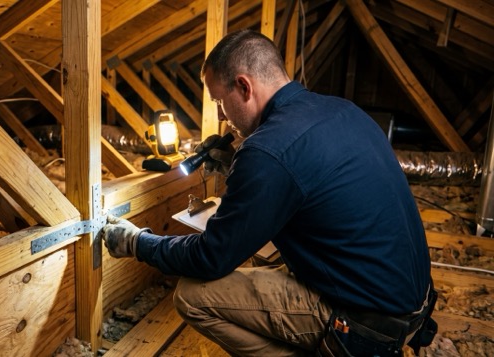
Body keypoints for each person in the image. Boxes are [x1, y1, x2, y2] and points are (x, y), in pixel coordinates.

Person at [101, 29, 436, 356]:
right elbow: (303, 177)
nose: (219, 114)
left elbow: (210, 258)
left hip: (365, 326)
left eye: (219, 100)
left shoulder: (267, 150)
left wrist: (138, 242)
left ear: (244, 86)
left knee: (193, 296)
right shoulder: (341, 110)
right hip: (411, 301)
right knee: (265, 251)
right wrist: (235, 163)